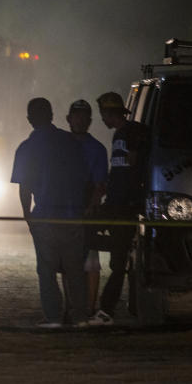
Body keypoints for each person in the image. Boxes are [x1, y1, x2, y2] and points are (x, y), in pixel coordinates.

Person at [10, 98, 90, 329]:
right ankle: (81, 317)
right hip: (73, 214)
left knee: (46, 269)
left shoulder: (26, 148)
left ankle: (54, 317)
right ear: (53, 115)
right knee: (75, 268)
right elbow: (85, 179)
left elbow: (24, 187)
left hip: (44, 215)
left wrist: (28, 215)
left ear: (29, 120)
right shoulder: (71, 142)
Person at [89, 92, 150, 326]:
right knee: (121, 258)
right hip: (116, 205)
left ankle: (106, 311)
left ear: (108, 113)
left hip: (123, 207)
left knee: (118, 261)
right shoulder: (121, 135)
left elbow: (131, 167)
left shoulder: (128, 133)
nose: (102, 119)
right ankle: (129, 307)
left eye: (103, 114)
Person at [65, 99, 109, 315]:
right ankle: (72, 306)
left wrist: (92, 205)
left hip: (85, 210)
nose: (80, 121)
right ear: (69, 119)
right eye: (77, 116)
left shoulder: (97, 149)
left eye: (84, 117)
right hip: (65, 209)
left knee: (90, 261)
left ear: (90, 121)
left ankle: (88, 308)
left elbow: (100, 184)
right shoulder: (61, 145)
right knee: (67, 261)